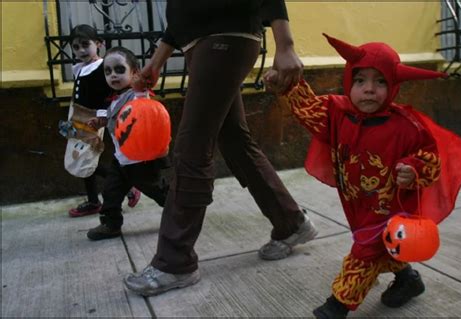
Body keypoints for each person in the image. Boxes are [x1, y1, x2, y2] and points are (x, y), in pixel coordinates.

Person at [265, 33, 461, 318]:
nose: (369, 90)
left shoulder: (407, 127)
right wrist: (286, 87)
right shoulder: (336, 113)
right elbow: (307, 109)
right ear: (349, 80)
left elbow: (430, 158)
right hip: (358, 203)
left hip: (390, 207)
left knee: (365, 251)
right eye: (360, 80)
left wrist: (413, 170)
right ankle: (407, 280)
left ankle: (337, 306)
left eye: (381, 82)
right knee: (381, 247)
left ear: (394, 85)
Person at [123, 0, 318, 296]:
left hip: (225, 38)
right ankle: (291, 222)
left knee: (192, 145)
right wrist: (157, 61)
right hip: (205, 45)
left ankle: (175, 262)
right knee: (235, 140)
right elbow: (181, 13)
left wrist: (285, 43)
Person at [86, 47, 171, 240]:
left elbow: (146, 114)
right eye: (108, 71)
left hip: (141, 161)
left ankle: (180, 212)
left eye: (119, 70)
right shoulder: (114, 99)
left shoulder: (136, 95)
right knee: (110, 192)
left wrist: (141, 87)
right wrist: (101, 121)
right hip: (121, 159)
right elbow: (116, 119)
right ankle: (111, 224)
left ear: (134, 72)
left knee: (158, 191)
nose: (113, 75)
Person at [66, 24, 141, 217]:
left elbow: (109, 94)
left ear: (98, 43)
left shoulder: (102, 68)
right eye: (75, 47)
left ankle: (129, 186)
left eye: (85, 44)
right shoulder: (81, 68)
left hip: (93, 118)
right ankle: (93, 200)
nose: (81, 50)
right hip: (78, 116)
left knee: (86, 158)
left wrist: (101, 116)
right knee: (80, 158)